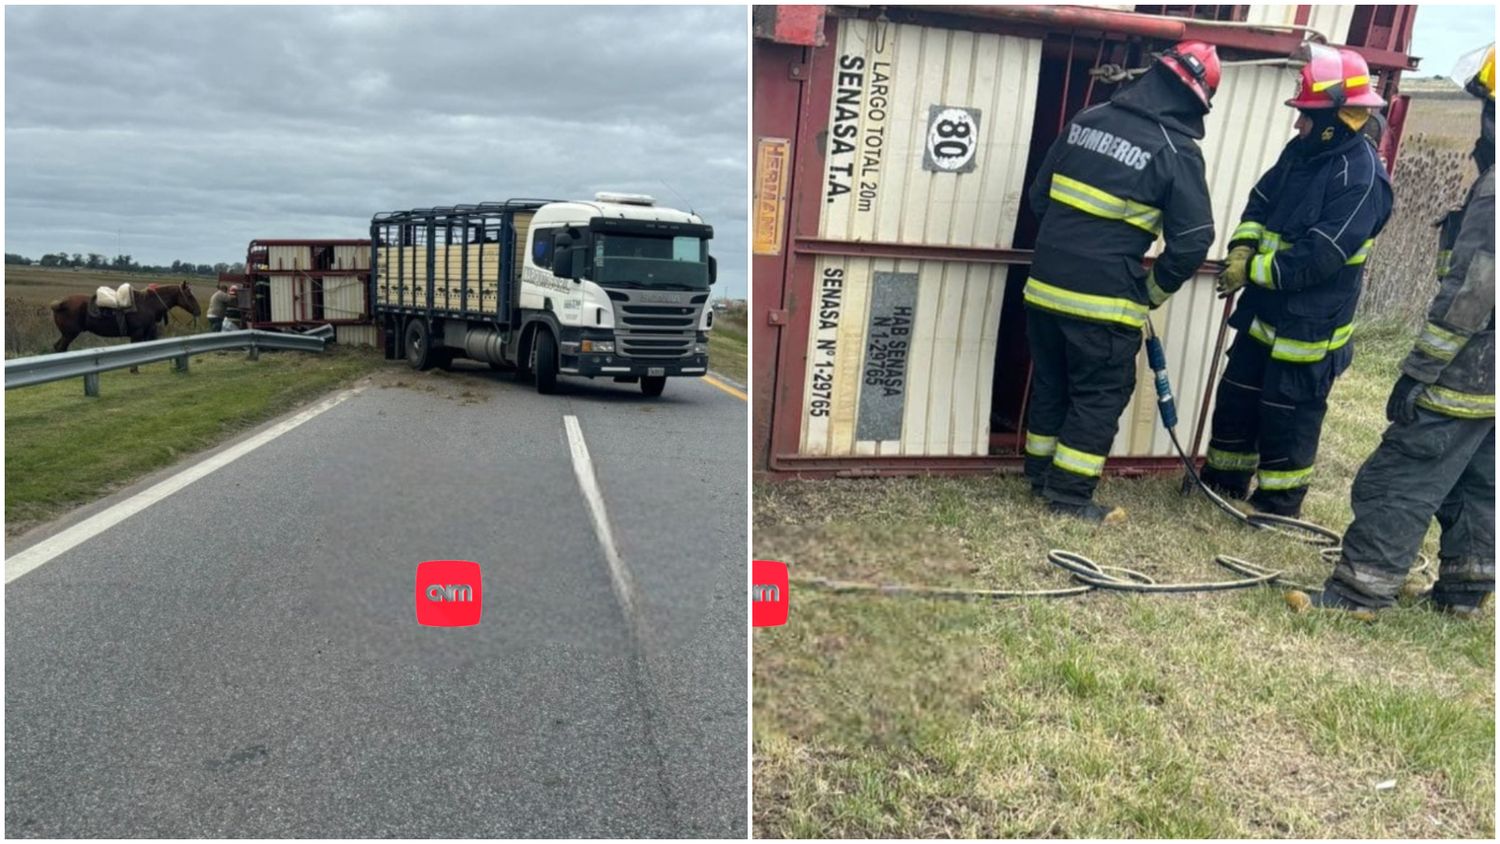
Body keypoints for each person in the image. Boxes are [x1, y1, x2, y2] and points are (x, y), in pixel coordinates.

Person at [1291, 43, 1495, 617]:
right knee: (1478, 482)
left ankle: (1361, 589)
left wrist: (1420, 372)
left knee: (1402, 473)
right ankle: (1464, 594)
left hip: (1468, 373)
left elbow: (1473, 293)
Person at [1021, 42, 1219, 523]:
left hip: (1043, 288)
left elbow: (1038, 200)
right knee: (1099, 393)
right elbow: (1193, 242)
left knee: (1051, 380)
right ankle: (1068, 497)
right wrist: (1150, 292)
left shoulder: (1087, 120)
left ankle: (1039, 474)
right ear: (1193, 100)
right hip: (1103, 303)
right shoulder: (1176, 150)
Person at [1200, 45, 1393, 519]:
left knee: (1288, 416)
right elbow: (1259, 202)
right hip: (1265, 312)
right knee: (1238, 398)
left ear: (1333, 117)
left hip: (1310, 330)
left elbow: (1318, 259)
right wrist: (1242, 247)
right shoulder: (1301, 152)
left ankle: (1277, 505)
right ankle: (1222, 484)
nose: (1296, 125)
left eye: (1305, 115)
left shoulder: (1363, 179)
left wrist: (1253, 270)